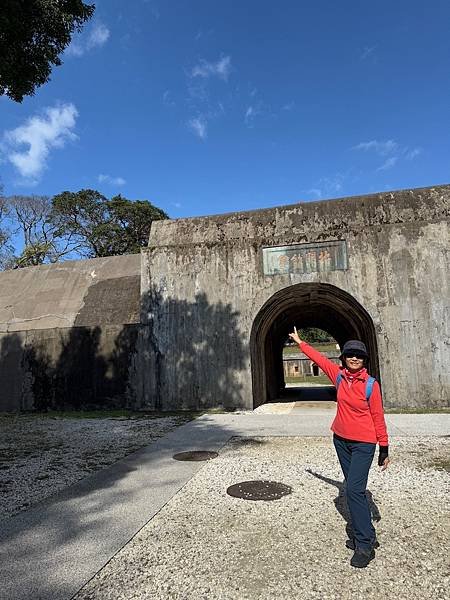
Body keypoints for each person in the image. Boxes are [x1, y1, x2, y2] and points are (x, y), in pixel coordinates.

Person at [288, 327, 389, 569]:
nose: (354, 359)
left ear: (365, 360)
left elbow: (378, 416)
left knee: (354, 489)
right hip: (341, 440)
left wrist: (384, 447)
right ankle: (366, 532)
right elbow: (320, 360)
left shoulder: (371, 385)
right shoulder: (339, 376)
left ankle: (364, 543)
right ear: (343, 358)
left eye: (359, 356)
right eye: (350, 355)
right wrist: (301, 343)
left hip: (364, 444)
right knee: (353, 489)